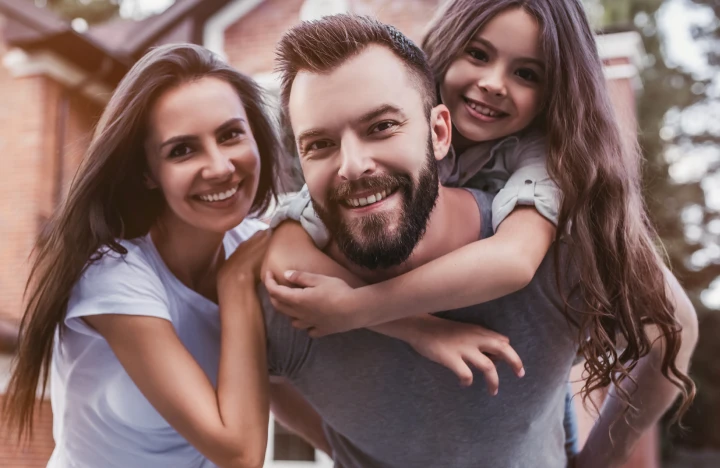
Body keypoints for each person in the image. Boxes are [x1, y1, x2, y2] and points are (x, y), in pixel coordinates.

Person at [253, 14, 697, 467]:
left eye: (382, 126)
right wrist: (343, 446)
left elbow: (519, 262)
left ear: (437, 131)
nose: (492, 83)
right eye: (479, 54)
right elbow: (281, 258)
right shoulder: (331, 213)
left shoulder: (548, 173)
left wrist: (357, 308)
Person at [2, 44, 327, 468]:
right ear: (146, 172)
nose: (220, 167)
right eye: (182, 150)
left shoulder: (255, 246)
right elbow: (239, 453)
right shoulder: (113, 276)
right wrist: (235, 287)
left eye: (230, 134)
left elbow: (275, 384)